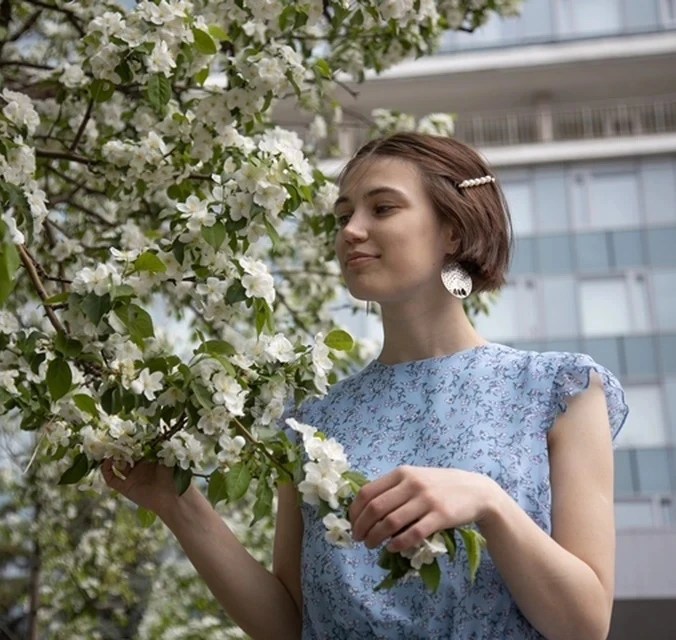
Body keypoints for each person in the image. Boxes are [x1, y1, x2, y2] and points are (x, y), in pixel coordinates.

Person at [102, 132, 628, 640]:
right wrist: (180, 505)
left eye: (382, 208)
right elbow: (291, 626)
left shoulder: (558, 391)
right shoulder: (311, 421)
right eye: (343, 215)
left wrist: (489, 503)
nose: (350, 230)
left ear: (455, 231)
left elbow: (585, 625)